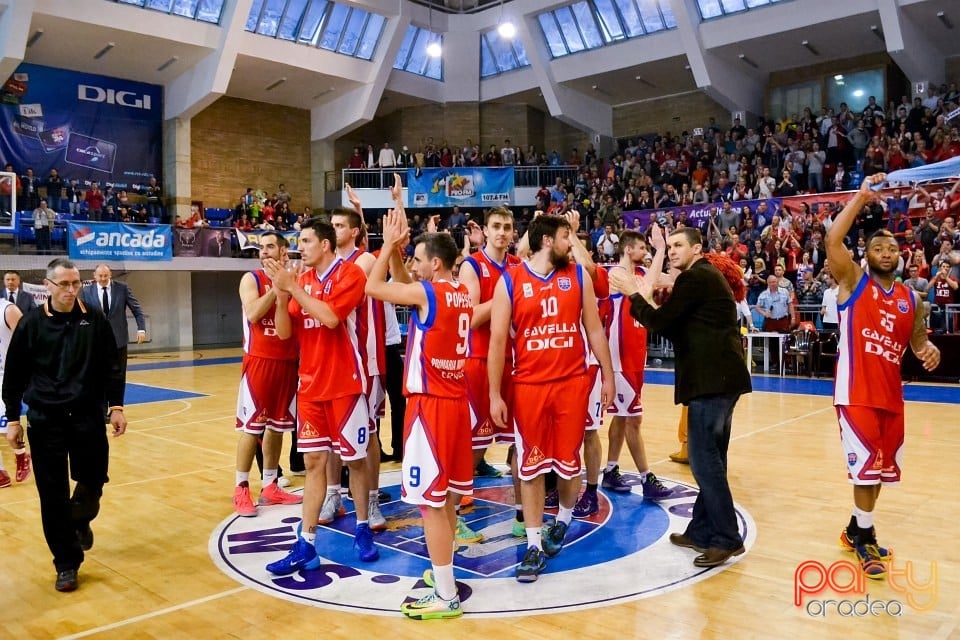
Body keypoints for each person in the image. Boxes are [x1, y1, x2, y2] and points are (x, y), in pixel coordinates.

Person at [609, 227, 752, 567]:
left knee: (704, 463)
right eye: (669, 246)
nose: (672, 252)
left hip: (712, 381)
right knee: (711, 460)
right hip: (720, 379)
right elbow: (674, 326)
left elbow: (658, 324)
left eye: (678, 246)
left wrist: (634, 293)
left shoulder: (696, 278)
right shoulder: (701, 278)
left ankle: (727, 538)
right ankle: (702, 530)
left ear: (697, 248)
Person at [826, 172, 940, 579]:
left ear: (900, 257)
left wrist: (929, 351)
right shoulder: (853, 281)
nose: (887, 252)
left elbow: (919, 342)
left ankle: (857, 527)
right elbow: (832, 242)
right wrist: (860, 198)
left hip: (891, 396)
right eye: (878, 247)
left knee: (878, 472)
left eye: (892, 248)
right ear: (867, 254)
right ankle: (864, 538)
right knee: (865, 472)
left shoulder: (912, 299)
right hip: (855, 393)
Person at [488, 215, 615, 582]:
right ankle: (532, 545)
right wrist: (495, 393)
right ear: (547, 240)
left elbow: (594, 328)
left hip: (572, 384)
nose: (570, 243)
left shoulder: (577, 276)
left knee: (568, 463)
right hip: (528, 387)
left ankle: (560, 520)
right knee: (530, 468)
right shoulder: (509, 281)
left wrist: (607, 376)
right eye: (565, 236)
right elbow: (499, 341)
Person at [365, 210, 473, 619]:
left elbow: (373, 287)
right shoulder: (459, 291)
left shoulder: (427, 294)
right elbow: (407, 284)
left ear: (436, 265)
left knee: (430, 504)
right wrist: (398, 252)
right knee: (443, 499)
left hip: (429, 408)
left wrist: (388, 245)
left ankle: (446, 595)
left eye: (417, 259)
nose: (412, 264)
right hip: (455, 404)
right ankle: (443, 575)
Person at [2, 258, 127, 592]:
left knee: (94, 480)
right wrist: (13, 418)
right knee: (52, 494)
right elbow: (13, 375)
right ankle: (66, 563)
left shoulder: (94, 319)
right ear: (48, 286)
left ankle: (79, 518)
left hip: (87, 416)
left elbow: (111, 366)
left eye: (76, 284)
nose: (72, 290)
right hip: (46, 420)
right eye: (65, 285)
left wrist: (116, 406)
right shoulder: (31, 324)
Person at [261, 218, 378, 574]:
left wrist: (293, 289)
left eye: (307, 241)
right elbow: (284, 334)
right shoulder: (304, 281)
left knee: (354, 462)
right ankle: (306, 543)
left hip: (345, 384)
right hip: (310, 387)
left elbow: (329, 318)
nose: (301, 246)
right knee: (314, 464)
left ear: (325, 245)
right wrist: (282, 297)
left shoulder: (350, 275)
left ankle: (362, 528)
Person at [590, 229, 671, 513]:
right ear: (627, 250)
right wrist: (661, 248)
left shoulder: (639, 272)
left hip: (635, 357)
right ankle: (647, 477)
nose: (644, 252)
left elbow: (663, 279)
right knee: (633, 420)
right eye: (640, 248)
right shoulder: (616, 276)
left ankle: (611, 470)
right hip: (619, 359)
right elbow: (647, 287)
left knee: (624, 419)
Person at [458, 207, 523, 533]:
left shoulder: (518, 266)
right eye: (496, 226)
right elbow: (468, 316)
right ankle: (453, 516)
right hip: (480, 362)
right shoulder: (472, 266)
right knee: (474, 445)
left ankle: (522, 517)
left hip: (516, 363)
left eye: (507, 227)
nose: (501, 232)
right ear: (484, 230)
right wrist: (504, 299)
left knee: (520, 443)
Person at [232, 231, 302, 517]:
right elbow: (252, 314)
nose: (264, 252)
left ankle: (271, 484)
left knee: (278, 426)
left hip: (288, 362)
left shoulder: (296, 276)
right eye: (261, 248)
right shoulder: (251, 279)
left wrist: (288, 283)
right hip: (260, 362)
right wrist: (276, 287)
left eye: (270, 246)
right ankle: (241, 487)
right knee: (252, 428)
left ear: (284, 251)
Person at [80, 265, 147, 396]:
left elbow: (137, 310)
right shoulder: (86, 291)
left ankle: (117, 408)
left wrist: (141, 329)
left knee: (119, 376)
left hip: (119, 340)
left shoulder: (122, 288)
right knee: (98, 376)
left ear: (110, 274)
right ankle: (102, 409)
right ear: (94, 275)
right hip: (96, 342)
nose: (103, 278)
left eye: (106, 275)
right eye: (100, 276)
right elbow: (82, 316)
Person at [0, 297, 29, 488]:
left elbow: (30, 339)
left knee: (7, 429)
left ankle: (22, 455)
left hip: (6, 377)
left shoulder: (7, 310)